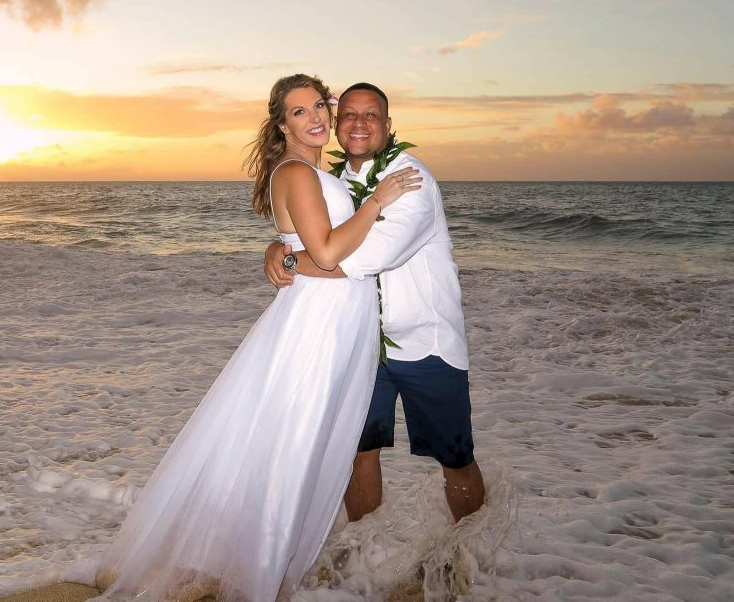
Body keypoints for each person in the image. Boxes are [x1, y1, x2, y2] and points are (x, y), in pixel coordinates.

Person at [92, 75, 422, 602]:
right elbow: (332, 252)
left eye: (319, 106)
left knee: (300, 439)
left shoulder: (313, 171)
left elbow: (307, 248)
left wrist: (284, 251)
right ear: (281, 124)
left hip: (333, 317)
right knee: (294, 441)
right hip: (319, 323)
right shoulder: (296, 171)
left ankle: (276, 563)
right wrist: (376, 202)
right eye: (299, 112)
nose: (315, 118)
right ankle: (264, 576)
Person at [264, 82, 486, 525]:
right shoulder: (338, 182)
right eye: (348, 114)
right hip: (360, 341)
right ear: (336, 122)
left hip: (426, 342)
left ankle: (469, 561)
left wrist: (287, 256)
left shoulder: (410, 180)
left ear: (388, 125)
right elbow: (314, 229)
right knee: (359, 452)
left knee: (454, 456)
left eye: (370, 115)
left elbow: (360, 258)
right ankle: (366, 560)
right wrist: (278, 244)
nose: (358, 123)